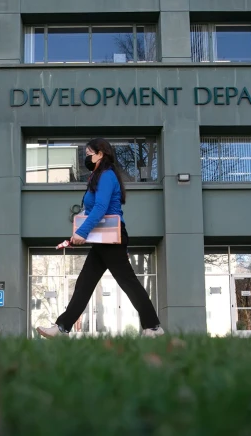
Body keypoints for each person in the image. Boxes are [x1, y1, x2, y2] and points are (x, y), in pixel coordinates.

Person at [37, 138, 165, 338]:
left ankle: (154, 327)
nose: (86, 157)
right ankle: (62, 327)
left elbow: (100, 208)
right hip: (105, 240)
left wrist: (82, 232)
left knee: (127, 282)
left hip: (110, 239)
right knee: (85, 283)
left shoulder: (106, 176)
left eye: (89, 153)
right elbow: (98, 211)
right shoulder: (97, 177)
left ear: (101, 154)